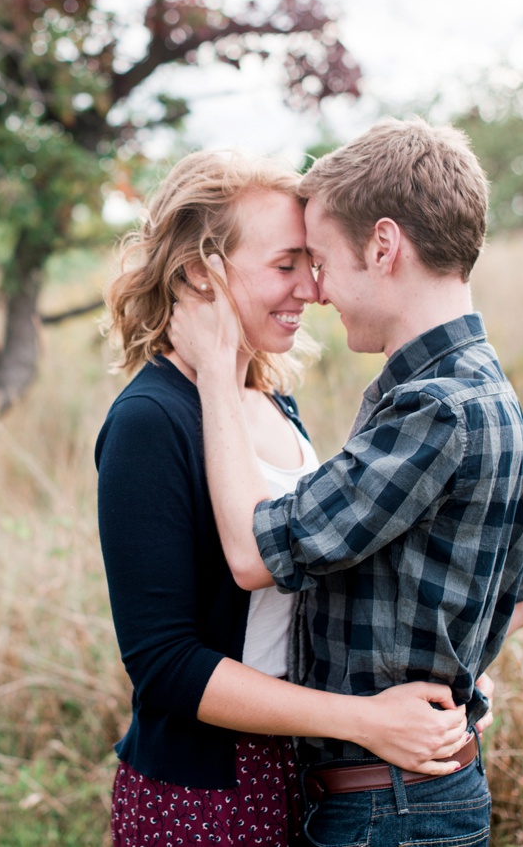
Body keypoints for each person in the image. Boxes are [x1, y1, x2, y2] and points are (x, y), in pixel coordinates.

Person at [169, 119, 523, 846]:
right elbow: (519, 601)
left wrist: (217, 370)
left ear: (383, 246)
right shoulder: (486, 393)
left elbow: (251, 554)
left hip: (389, 808)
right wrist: (455, 675)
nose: (315, 289)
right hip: (409, 795)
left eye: (320, 259)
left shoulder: (435, 409)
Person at [95, 150, 482, 846]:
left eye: (311, 261)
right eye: (284, 265)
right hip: (206, 793)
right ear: (197, 272)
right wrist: (359, 719)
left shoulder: (275, 401)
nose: (311, 287)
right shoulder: (151, 419)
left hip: (305, 768)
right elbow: (164, 665)